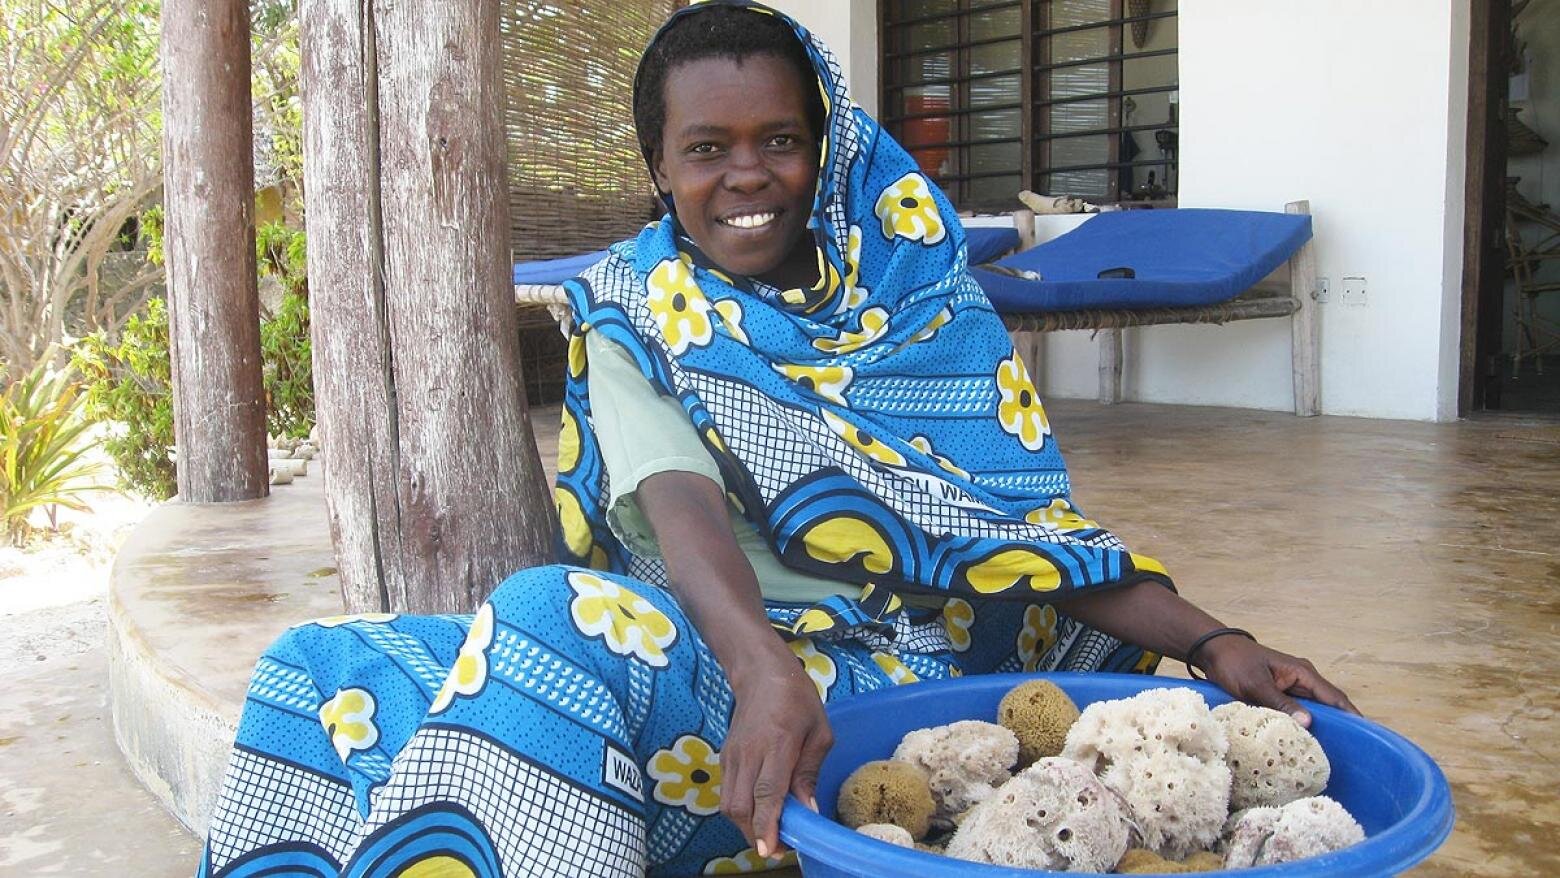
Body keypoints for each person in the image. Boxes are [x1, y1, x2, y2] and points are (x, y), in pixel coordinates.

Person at [197, 3, 1356, 876]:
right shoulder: (634, 300)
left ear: (827, 143)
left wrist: (1220, 642)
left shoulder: (916, 293)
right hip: (744, 664)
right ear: (659, 166)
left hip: (928, 659)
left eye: (780, 140)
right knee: (325, 667)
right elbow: (674, 493)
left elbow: (1014, 530)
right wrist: (761, 669)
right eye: (707, 148)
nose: (748, 175)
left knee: (1099, 661)